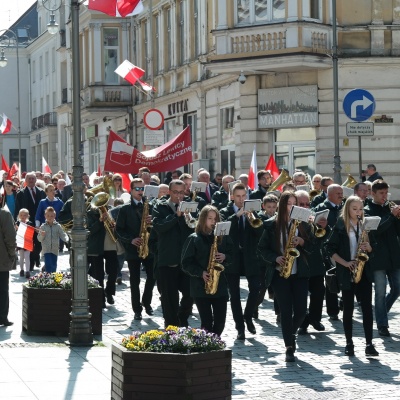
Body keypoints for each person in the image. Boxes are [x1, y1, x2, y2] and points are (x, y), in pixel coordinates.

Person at [258, 191, 313, 362]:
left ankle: (291, 334)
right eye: (289, 204)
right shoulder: (270, 225)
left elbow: (313, 248)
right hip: (279, 274)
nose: (293, 207)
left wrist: (303, 242)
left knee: (302, 311)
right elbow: (261, 249)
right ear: (283, 205)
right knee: (285, 311)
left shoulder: (303, 224)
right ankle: (289, 347)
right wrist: (275, 258)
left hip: (299, 274)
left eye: (295, 204)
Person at [324, 196, 379, 356]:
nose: (358, 212)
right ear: (347, 209)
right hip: (347, 271)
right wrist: (345, 263)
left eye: (361, 209)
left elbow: (375, 246)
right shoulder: (341, 225)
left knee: (367, 308)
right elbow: (328, 248)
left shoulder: (365, 225)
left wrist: (369, 247)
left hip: (364, 272)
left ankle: (369, 343)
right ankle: (349, 343)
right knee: (348, 309)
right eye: (354, 209)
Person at [220, 183, 263, 340]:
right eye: (238, 196)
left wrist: (252, 217)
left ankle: (248, 316)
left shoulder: (253, 212)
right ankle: (240, 327)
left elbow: (260, 232)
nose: (241, 199)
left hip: (250, 257)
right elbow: (222, 229)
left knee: (256, 289)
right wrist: (237, 215)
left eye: (244, 196)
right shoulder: (224, 211)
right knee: (235, 295)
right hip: (232, 258)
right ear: (232, 196)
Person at [181, 205, 234, 336]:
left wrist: (225, 256)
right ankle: (208, 350)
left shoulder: (223, 237)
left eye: (215, 219)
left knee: (220, 322)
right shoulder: (194, 238)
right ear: (203, 219)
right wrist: (201, 273)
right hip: (200, 287)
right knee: (206, 321)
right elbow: (185, 263)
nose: (213, 222)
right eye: (210, 218)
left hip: (220, 285)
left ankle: (214, 343)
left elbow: (234, 254)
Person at [152, 179, 196, 327]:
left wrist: (189, 218)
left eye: (181, 192)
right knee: (169, 297)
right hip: (167, 258)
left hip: (186, 259)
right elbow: (159, 227)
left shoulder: (190, 205)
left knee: (190, 293)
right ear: (170, 192)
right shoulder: (160, 206)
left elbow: (196, 226)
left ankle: (182, 318)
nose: (179, 196)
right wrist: (176, 216)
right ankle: (171, 325)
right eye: (176, 192)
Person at [115, 178, 156, 320]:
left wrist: (153, 221)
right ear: (131, 191)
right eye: (137, 189)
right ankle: (137, 309)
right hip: (133, 249)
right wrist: (131, 240)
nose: (140, 191)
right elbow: (118, 230)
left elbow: (157, 227)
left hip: (149, 248)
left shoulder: (150, 205)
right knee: (135, 281)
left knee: (152, 276)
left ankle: (146, 301)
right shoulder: (125, 209)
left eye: (142, 189)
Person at [363, 179, 400, 337]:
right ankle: (382, 324)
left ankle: (380, 311)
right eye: (381, 193)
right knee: (380, 292)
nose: (385, 196)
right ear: (373, 193)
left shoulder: (389, 208)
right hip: (377, 256)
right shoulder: (367, 210)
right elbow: (375, 230)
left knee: (398, 288)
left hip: (394, 255)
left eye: (386, 193)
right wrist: (392, 217)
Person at [296, 190, 328, 335]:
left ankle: (315, 319)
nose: (305, 206)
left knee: (318, 292)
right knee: (300, 295)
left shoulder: (314, 214)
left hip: (315, 262)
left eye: (307, 203)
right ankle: (302, 322)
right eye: (301, 204)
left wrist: (324, 227)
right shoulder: (291, 218)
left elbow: (323, 240)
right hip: (299, 262)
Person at [313, 184, 344, 321]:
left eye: (341, 193)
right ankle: (333, 310)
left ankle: (342, 302)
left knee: (343, 278)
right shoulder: (320, 208)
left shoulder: (344, 207)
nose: (341, 195)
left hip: (342, 248)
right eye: (338, 193)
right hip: (325, 249)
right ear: (329, 194)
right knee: (330, 279)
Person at [14, 172, 46, 271]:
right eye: (29, 179)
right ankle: (30, 265)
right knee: (29, 244)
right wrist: (17, 222)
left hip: (39, 223)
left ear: (36, 180)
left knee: (39, 243)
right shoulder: (21, 193)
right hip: (26, 223)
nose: (31, 180)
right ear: (26, 181)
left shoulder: (41, 192)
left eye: (33, 178)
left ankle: (36, 257)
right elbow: (17, 209)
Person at [37, 207, 69, 273]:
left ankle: (53, 278)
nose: (50, 217)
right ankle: (48, 278)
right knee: (48, 264)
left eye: (52, 216)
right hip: (46, 249)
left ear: (54, 216)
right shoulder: (43, 226)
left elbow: (62, 234)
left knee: (54, 265)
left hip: (55, 249)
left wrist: (66, 239)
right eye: (48, 216)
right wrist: (42, 235)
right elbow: (39, 239)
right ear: (45, 216)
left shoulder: (58, 226)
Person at [0, 206, 16, 326]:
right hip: (2, 259)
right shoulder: (4, 214)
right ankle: (2, 317)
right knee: (2, 290)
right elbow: (10, 237)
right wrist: (12, 255)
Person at [16, 209, 33, 279]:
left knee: (27, 257)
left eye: (25, 215)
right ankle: (22, 270)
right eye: (21, 215)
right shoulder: (17, 223)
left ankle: (28, 271)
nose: (23, 217)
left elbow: (31, 233)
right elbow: (15, 232)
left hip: (27, 242)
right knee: (21, 257)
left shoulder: (29, 223)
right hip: (20, 242)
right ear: (19, 216)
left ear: (28, 216)